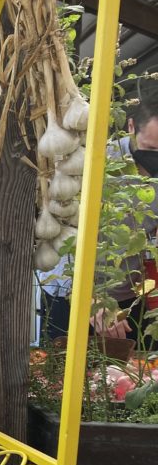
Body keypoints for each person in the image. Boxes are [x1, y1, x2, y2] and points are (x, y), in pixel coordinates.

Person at [40, 86, 158, 348]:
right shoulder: (94, 162)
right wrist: (89, 299)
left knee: (128, 370)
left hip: (130, 299)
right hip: (70, 294)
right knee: (61, 368)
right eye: (150, 148)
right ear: (130, 127)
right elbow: (61, 236)